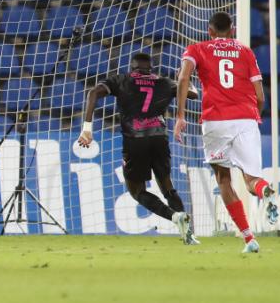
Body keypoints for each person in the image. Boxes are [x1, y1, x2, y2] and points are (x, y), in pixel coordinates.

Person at [174, 12, 277, 254]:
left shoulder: (196, 49)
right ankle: (266, 191)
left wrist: (180, 116)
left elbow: (182, 78)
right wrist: (253, 117)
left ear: (210, 31)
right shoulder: (245, 51)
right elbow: (260, 95)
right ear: (232, 30)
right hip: (246, 119)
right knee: (251, 181)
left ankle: (249, 238)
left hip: (216, 121)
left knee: (223, 180)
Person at [79, 52, 199, 244]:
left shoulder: (122, 80)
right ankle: (189, 234)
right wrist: (185, 79)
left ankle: (175, 217)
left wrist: (86, 129)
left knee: (137, 191)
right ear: (150, 68)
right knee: (167, 187)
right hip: (159, 138)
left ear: (132, 67)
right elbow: (193, 94)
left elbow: (93, 93)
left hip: (135, 140)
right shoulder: (164, 82)